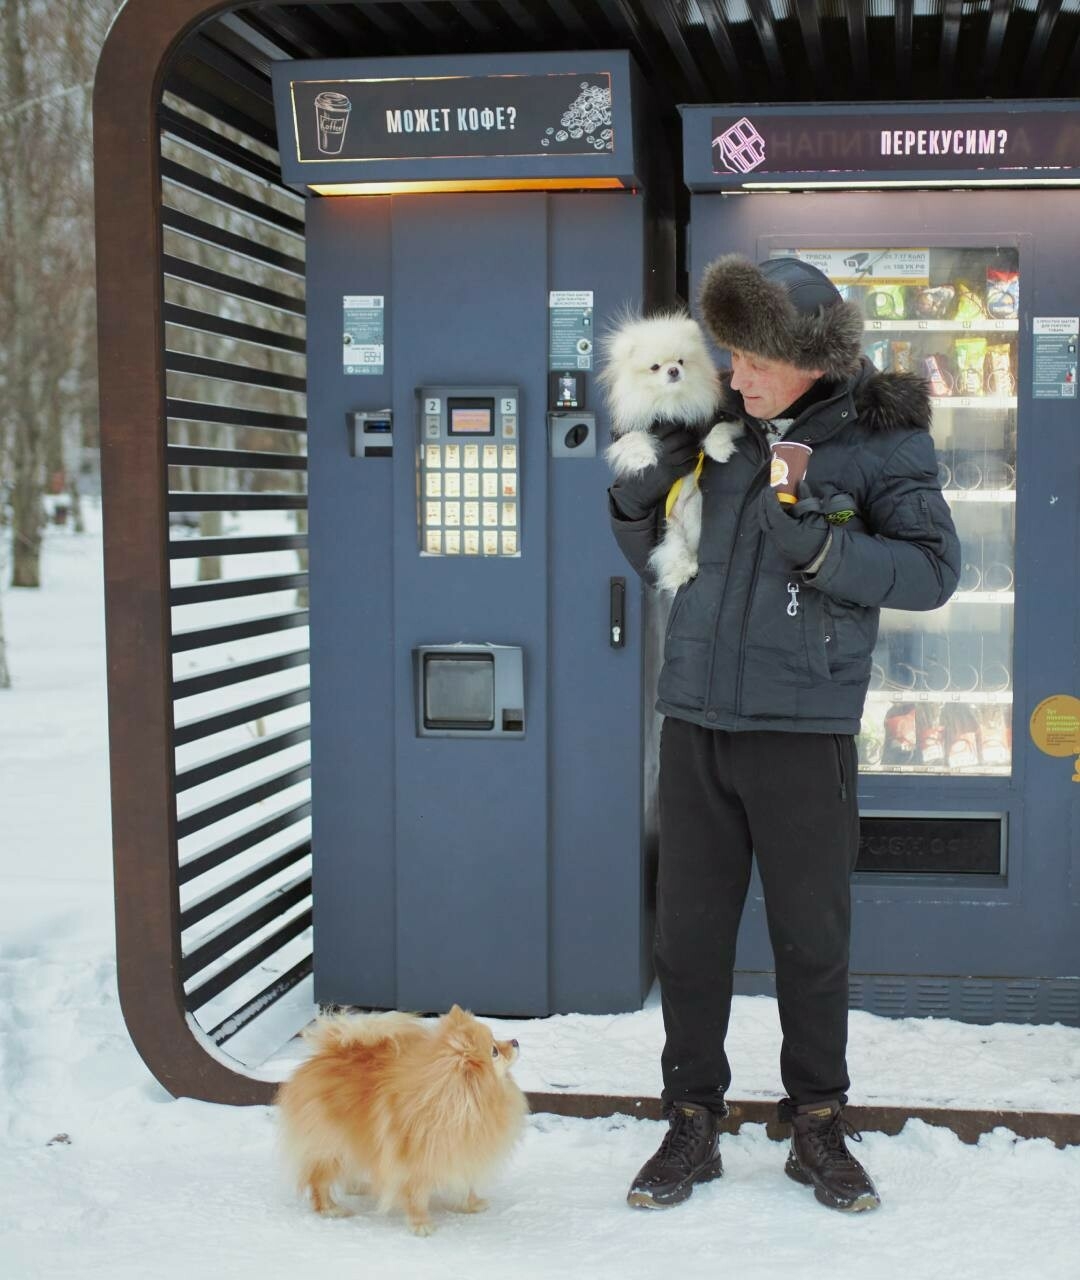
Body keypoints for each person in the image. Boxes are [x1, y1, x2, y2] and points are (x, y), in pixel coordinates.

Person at [609, 255, 960, 1214]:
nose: (738, 368)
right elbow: (661, 552)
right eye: (731, 348)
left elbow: (934, 571)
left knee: (811, 941)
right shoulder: (716, 423)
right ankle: (692, 1121)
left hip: (805, 729)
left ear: (809, 355)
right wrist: (635, 498)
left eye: (757, 353)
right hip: (696, 722)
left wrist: (823, 546)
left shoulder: (882, 440)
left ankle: (816, 1125)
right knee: (688, 939)